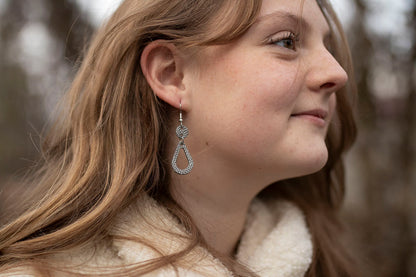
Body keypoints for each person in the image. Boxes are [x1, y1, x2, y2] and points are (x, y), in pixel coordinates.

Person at [0, 0, 358, 276]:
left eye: (326, 46)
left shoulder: (329, 265)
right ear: (172, 75)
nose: (337, 72)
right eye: (286, 41)